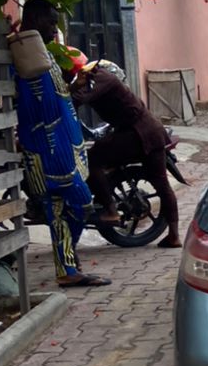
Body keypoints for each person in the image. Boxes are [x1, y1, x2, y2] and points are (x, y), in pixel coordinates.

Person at [12, 0, 108, 288]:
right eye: (50, 22)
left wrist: (73, 87)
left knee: (57, 210)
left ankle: (67, 268)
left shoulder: (42, 53)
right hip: (49, 149)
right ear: (33, 19)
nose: (55, 29)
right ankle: (67, 263)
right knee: (81, 202)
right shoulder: (22, 55)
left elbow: (53, 94)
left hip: (61, 145)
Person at [70, 62, 181, 248]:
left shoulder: (101, 78)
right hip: (145, 132)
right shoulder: (98, 79)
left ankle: (111, 210)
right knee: (162, 184)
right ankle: (174, 235)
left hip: (138, 133)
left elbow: (76, 100)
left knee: (92, 159)